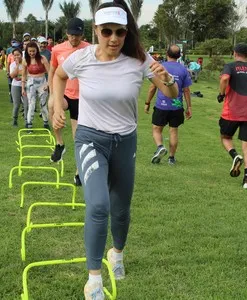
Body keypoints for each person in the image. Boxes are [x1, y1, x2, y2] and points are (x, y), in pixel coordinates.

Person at [51, 1, 178, 299]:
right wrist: (58, 103)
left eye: (119, 32)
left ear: (126, 32)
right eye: (106, 31)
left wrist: (169, 80)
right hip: (91, 139)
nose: (113, 38)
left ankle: (116, 253)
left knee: (121, 209)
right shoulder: (81, 57)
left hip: (125, 142)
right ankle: (94, 278)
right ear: (95, 31)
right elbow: (58, 75)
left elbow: (170, 95)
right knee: (98, 206)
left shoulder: (139, 60)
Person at [48, 17, 89, 186]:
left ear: (82, 35)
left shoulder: (89, 49)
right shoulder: (57, 50)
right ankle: (59, 143)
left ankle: (79, 172)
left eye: (78, 35)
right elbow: (52, 72)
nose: (74, 38)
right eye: (72, 35)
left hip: (83, 97)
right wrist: (52, 93)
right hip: (64, 94)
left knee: (78, 136)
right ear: (66, 34)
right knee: (51, 105)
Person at [218, 43, 247, 190]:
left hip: (231, 112)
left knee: (225, 138)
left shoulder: (230, 66)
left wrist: (222, 93)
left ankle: (235, 155)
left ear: (235, 53)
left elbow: (224, 79)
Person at [145, 44, 192, 165]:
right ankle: (171, 158)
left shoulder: (160, 67)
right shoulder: (183, 69)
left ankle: (160, 146)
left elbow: (152, 87)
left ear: (167, 53)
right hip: (177, 106)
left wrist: (147, 102)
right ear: (179, 55)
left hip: (162, 105)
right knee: (173, 131)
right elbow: (186, 90)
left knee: (156, 129)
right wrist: (189, 107)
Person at [22, 41, 50, 130]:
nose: (32, 53)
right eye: (30, 51)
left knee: (43, 104)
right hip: (31, 83)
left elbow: (50, 72)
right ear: (27, 51)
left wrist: (48, 84)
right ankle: (29, 123)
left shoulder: (42, 59)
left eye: (33, 51)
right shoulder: (25, 60)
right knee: (31, 103)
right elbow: (23, 75)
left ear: (37, 50)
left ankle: (46, 122)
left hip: (42, 82)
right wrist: (23, 88)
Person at [10, 48, 28, 127]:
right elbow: (13, 76)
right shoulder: (13, 64)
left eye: (18, 55)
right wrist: (17, 66)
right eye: (15, 55)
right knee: (16, 104)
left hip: (26, 86)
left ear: (22, 55)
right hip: (16, 86)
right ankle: (15, 120)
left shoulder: (26, 62)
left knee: (27, 104)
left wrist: (20, 76)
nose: (16, 57)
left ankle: (27, 121)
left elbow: (26, 75)